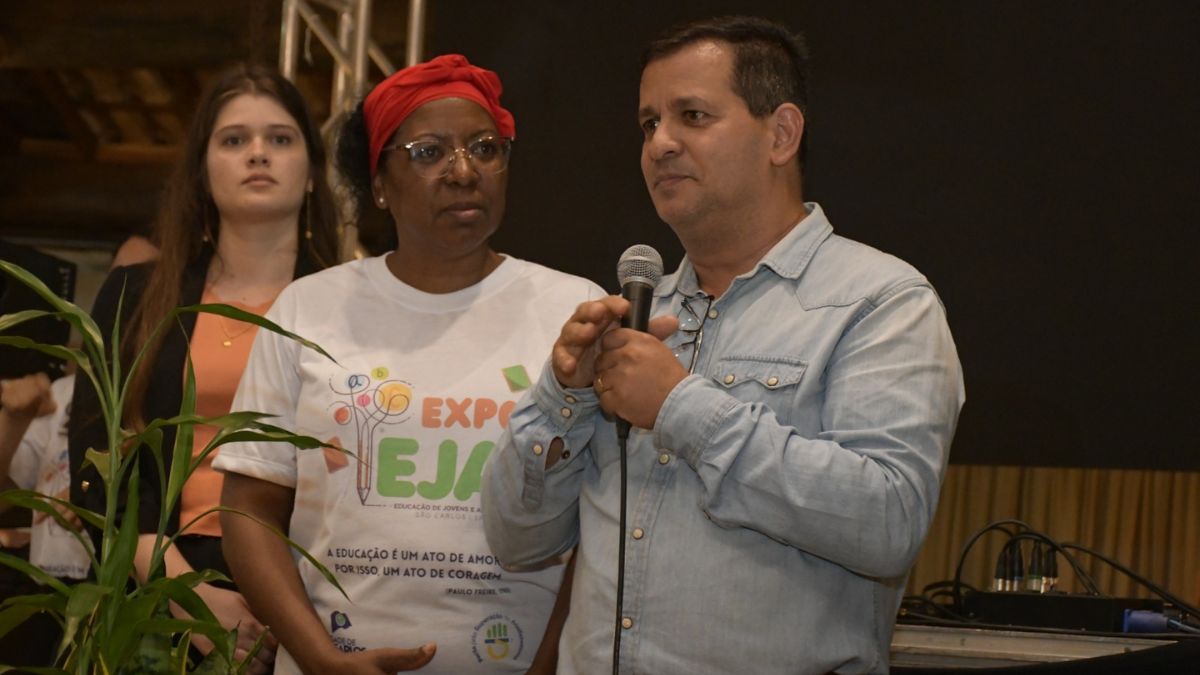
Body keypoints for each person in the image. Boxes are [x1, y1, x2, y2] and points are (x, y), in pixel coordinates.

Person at [481, 16, 966, 674]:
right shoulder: (634, 319)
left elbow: (886, 522)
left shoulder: (880, 303)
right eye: (649, 123)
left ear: (781, 134)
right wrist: (562, 394)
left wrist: (680, 405)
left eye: (693, 116)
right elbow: (516, 540)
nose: (660, 144)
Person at [215, 54, 600, 675]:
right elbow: (247, 509)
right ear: (379, 183)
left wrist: (549, 668)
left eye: (485, 149)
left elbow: (603, 522)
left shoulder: (573, 309)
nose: (463, 172)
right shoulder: (307, 310)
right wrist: (319, 660)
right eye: (428, 152)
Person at [68, 62, 341, 674]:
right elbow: (99, 463)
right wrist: (188, 597)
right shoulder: (135, 295)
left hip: (314, 589)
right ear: (202, 170)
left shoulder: (355, 305)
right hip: (156, 588)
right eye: (234, 140)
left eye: (280, 138)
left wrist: (287, 610)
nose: (257, 154)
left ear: (311, 171)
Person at [0, 372, 89, 666]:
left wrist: (92, 489)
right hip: (46, 587)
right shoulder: (63, 391)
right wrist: (13, 419)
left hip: (111, 591)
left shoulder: (154, 380)